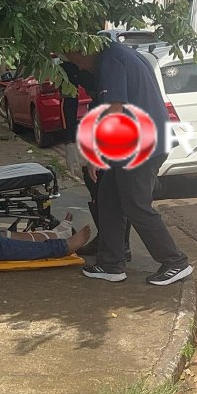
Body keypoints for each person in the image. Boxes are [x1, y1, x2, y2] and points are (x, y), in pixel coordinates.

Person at [62, 38, 192, 286]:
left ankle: (175, 262)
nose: (79, 67)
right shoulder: (122, 54)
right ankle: (111, 264)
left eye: (76, 60)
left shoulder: (111, 60)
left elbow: (114, 111)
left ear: (85, 50)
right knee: (109, 198)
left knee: (136, 205)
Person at [60, 59, 130, 261]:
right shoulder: (68, 66)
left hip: (121, 121)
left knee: (118, 188)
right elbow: (68, 101)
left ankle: (120, 245)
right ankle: (107, 240)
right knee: (95, 184)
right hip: (98, 117)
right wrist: (69, 141)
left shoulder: (109, 62)